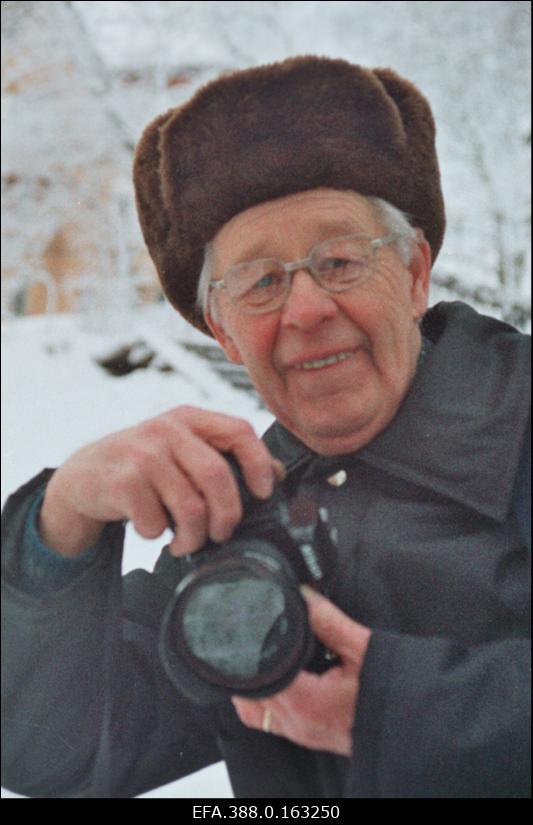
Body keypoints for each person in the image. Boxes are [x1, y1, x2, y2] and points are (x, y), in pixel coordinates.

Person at [1, 56, 530, 799]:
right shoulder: (245, 509)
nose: (306, 309)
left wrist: (393, 708)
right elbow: (58, 750)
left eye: (340, 260)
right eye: (261, 281)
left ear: (414, 274)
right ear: (223, 332)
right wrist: (61, 519)